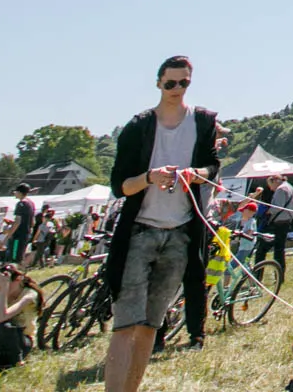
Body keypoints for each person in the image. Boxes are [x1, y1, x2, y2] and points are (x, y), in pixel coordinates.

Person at [102, 55, 223, 392]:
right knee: (125, 324)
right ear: (158, 83)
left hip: (181, 234)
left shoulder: (202, 122)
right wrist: (150, 177)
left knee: (151, 326)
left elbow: (213, 168)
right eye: (170, 83)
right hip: (139, 232)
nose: (176, 89)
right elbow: (120, 186)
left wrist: (194, 174)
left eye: (183, 82)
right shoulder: (139, 127)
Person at [256, 172, 293, 278]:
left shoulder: (281, 189)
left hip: (278, 224)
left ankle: (257, 276)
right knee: (279, 251)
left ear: (275, 181)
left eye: (271, 185)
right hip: (285, 222)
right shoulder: (290, 187)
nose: (271, 189)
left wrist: (266, 211)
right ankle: (280, 277)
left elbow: (277, 207)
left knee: (261, 250)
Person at [6, 183, 36, 265]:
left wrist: (8, 236)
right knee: (20, 256)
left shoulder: (20, 204)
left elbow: (17, 222)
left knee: (14, 259)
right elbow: (33, 222)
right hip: (26, 234)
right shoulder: (31, 203)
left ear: (19, 192)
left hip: (18, 235)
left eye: (15, 191)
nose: (14, 193)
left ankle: (16, 276)